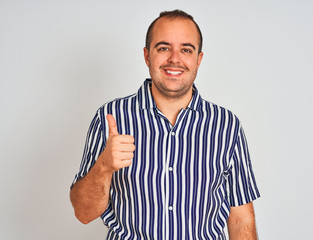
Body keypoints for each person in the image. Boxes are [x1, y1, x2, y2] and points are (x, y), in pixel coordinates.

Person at [70, 9, 260, 240]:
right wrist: (104, 166)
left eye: (186, 49)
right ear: (147, 55)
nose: (174, 59)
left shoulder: (226, 126)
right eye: (163, 48)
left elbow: (241, 219)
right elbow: (83, 213)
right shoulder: (111, 118)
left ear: (198, 59)